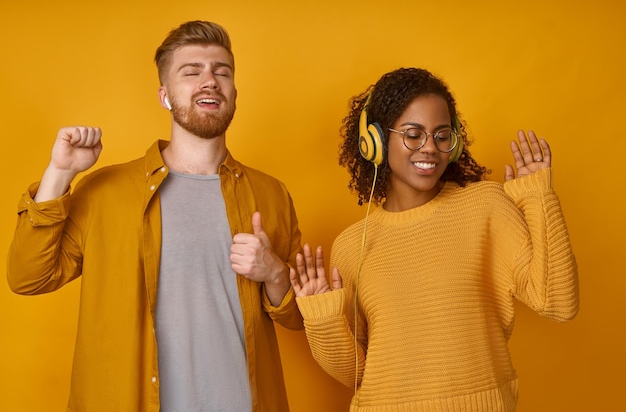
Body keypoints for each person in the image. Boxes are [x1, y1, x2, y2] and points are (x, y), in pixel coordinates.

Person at [7, 20, 303, 412]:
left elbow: (300, 317)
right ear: (165, 96)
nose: (210, 81)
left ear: (233, 92)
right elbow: (28, 277)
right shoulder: (104, 192)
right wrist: (59, 173)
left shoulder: (271, 193)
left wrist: (275, 273)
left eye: (222, 72)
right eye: (191, 71)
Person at [289, 67, 579, 411]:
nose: (430, 149)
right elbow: (357, 374)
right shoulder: (351, 246)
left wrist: (537, 197)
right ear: (376, 142)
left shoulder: (485, 206)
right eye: (413, 134)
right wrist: (321, 318)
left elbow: (559, 303)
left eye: (442, 136)